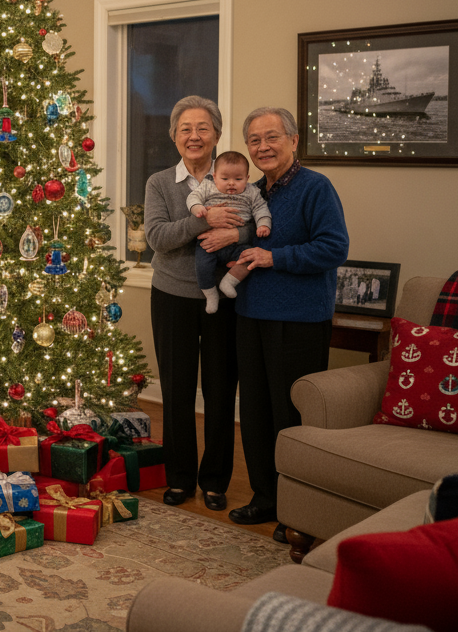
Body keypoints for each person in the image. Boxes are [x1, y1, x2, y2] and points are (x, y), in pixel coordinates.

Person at [227, 107, 349, 545]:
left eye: (272, 137)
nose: (262, 146)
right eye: (254, 139)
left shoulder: (316, 187)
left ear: (294, 141)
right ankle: (266, 497)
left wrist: (274, 257)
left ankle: (296, 510)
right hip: (250, 315)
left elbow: (334, 247)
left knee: (290, 418)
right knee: (256, 414)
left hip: (298, 320)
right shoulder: (252, 191)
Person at [143, 96, 247, 512]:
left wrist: (234, 234)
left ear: (217, 135)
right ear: (174, 137)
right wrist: (204, 220)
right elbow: (158, 238)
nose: (194, 136)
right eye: (185, 129)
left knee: (222, 392)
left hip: (223, 297)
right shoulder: (160, 183)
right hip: (171, 296)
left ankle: (215, 480)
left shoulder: (237, 180)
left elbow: (254, 231)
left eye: (203, 128)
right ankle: (180, 477)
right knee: (177, 392)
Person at [186, 151, 271, 313]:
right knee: (202, 267)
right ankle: (211, 295)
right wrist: (198, 208)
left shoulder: (251, 191)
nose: (231, 184)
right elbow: (193, 197)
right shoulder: (208, 186)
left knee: (250, 258)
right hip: (208, 243)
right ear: (215, 176)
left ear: (247, 178)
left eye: (238, 179)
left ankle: (229, 282)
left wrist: (263, 224)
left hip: (237, 245)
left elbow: (261, 209)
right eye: (225, 179)